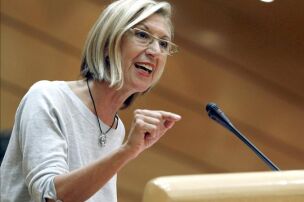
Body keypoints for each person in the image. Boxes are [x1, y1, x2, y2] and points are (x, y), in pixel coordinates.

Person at [0, 0, 181, 201]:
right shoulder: (47, 97)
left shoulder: (116, 129)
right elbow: (49, 195)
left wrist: (126, 150)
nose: (155, 51)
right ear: (107, 42)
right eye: (142, 35)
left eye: (163, 43)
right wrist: (128, 151)